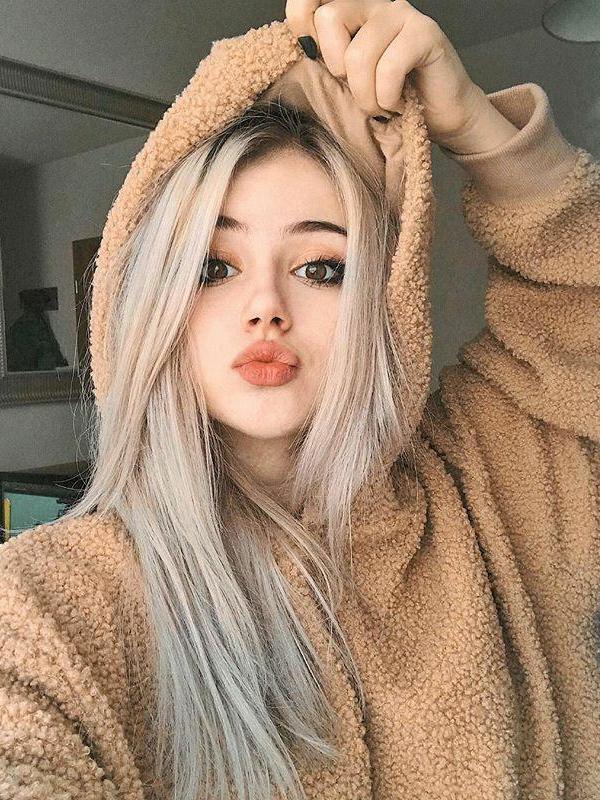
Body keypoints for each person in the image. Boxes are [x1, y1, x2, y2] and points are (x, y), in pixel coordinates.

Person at [1, 1, 598, 799]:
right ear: (154, 303)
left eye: (321, 268)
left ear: (384, 302)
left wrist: (479, 130)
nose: (266, 308)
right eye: (213, 267)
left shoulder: (487, 483)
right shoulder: (55, 602)